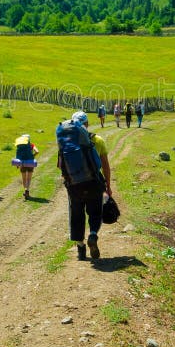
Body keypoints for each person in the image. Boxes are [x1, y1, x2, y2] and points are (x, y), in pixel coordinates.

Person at [58, 111, 112, 260]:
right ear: (87, 124)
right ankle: (93, 235)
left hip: (74, 186)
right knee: (95, 212)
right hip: (94, 182)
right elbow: (105, 166)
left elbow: (61, 167)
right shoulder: (98, 140)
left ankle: (80, 248)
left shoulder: (65, 142)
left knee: (76, 214)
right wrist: (108, 185)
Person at [12, 133, 39, 199]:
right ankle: (27, 190)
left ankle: (25, 190)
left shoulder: (19, 145)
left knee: (24, 178)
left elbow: (17, 155)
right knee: (29, 178)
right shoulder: (31, 145)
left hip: (22, 163)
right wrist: (33, 156)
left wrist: (17, 164)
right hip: (30, 162)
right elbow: (37, 151)